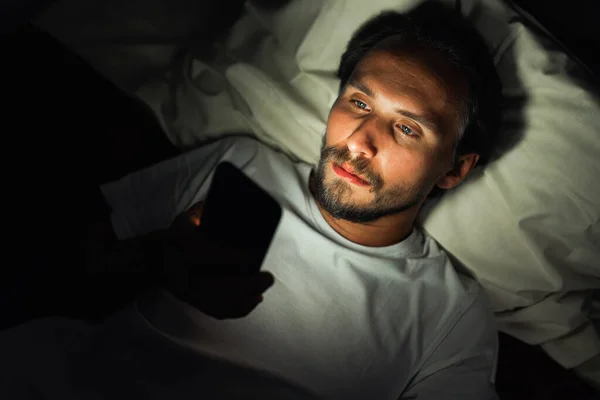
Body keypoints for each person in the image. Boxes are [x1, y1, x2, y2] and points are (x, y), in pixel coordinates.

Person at [4, 3, 503, 399]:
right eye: (359, 103)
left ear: (455, 169)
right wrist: (156, 262)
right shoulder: (241, 165)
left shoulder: (450, 314)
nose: (360, 141)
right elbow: (54, 263)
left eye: (406, 128)